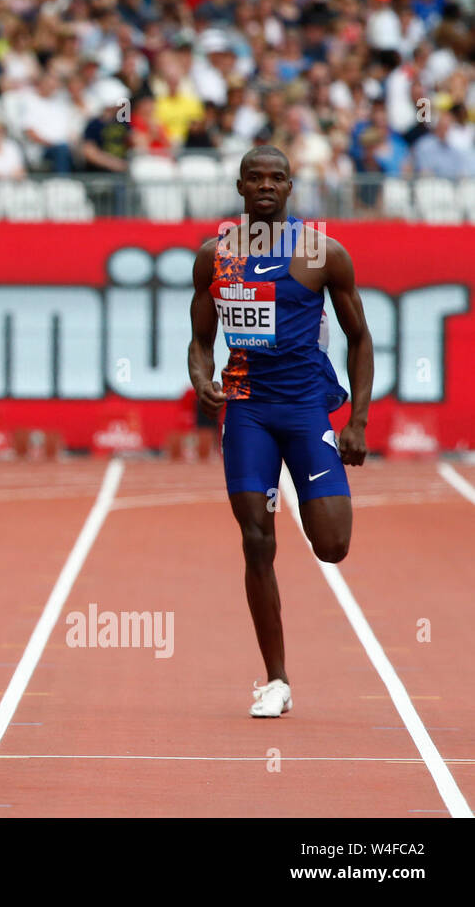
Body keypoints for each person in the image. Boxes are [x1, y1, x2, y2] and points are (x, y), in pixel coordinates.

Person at [188, 145, 373, 718]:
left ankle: (320, 499)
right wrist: (200, 376)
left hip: (305, 411)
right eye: (255, 178)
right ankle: (276, 679)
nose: (265, 186)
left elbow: (360, 337)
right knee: (256, 539)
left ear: (291, 187)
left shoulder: (323, 253)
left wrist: (358, 420)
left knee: (332, 545)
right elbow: (200, 338)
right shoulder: (215, 256)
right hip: (246, 410)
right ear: (240, 187)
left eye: (277, 178)